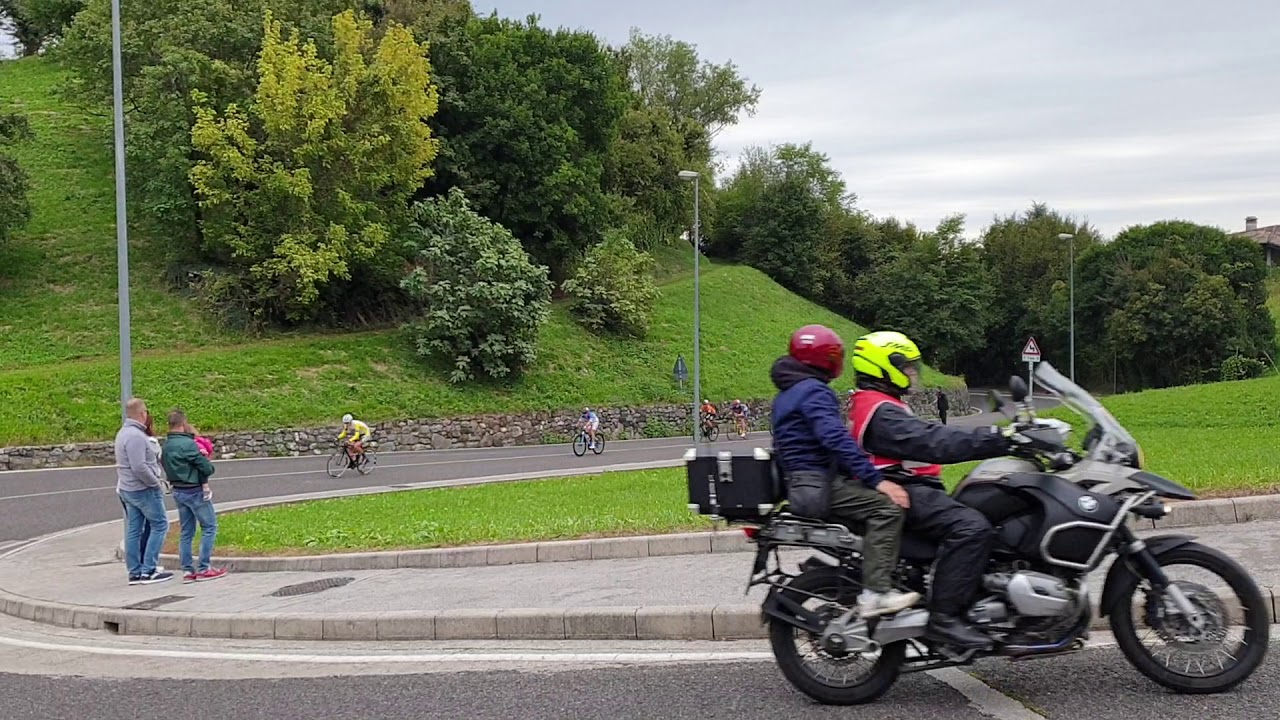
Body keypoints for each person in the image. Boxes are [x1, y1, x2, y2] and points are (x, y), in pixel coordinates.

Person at [848, 330, 1017, 650]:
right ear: (884, 367)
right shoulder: (879, 411)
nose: (913, 373)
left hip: (912, 487)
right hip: (904, 490)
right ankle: (945, 619)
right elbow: (933, 442)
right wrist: (1000, 439)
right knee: (971, 528)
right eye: (907, 366)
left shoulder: (881, 404)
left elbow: (930, 435)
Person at [770, 324, 920, 618]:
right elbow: (834, 438)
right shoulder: (813, 391)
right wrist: (877, 481)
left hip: (803, 483)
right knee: (886, 509)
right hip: (816, 486)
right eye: (835, 354)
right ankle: (877, 593)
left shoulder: (788, 392)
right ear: (823, 359)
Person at [163, 409, 228, 584]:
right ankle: (204, 567)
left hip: (178, 490)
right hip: (194, 489)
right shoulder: (188, 445)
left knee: (186, 531)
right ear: (183, 424)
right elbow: (205, 468)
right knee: (209, 527)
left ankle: (187, 570)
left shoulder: (166, 445)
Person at [115, 398, 172, 585]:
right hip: (142, 489)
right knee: (160, 525)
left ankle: (135, 570)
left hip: (127, 488)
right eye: (146, 412)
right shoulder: (136, 437)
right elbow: (139, 466)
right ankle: (149, 569)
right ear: (142, 414)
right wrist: (155, 483)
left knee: (134, 529)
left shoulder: (123, 433)